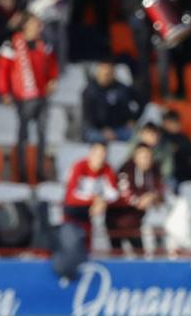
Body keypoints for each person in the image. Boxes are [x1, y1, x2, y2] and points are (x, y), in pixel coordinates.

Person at [0, 14, 58, 182]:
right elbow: (2, 70)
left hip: (42, 95)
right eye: (35, 24)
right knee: (23, 136)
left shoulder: (44, 44)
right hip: (22, 96)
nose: (39, 28)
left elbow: (52, 65)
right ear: (26, 26)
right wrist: (4, 92)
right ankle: (21, 172)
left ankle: (39, 172)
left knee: (42, 135)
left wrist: (53, 79)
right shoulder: (11, 45)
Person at [112, 0, 178, 99]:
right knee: (142, 50)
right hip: (137, 9)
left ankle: (165, 90)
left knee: (163, 49)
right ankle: (145, 91)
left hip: (157, 13)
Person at [56, 142, 118, 279]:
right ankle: (66, 274)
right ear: (90, 154)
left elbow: (114, 193)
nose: (100, 158)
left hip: (89, 214)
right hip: (72, 215)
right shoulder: (79, 167)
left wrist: (101, 201)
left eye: (103, 154)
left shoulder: (107, 169)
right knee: (71, 245)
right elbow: (71, 196)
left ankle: (84, 276)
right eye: (97, 154)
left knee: (87, 246)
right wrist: (95, 200)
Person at [108, 144, 164, 255]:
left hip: (137, 219)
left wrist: (152, 196)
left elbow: (160, 189)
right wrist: (139, 201)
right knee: (117, 254)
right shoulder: (126, 169)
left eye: (149, 157)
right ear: (135, 157)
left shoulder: (154, 170)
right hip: (117, 218)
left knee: (140, 253)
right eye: (143, 156)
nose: (146, 160)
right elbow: (124, 192)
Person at [81, 60, 142, 144]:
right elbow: (88, 116)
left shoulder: (122, 88)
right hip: (97, 129)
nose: (107, 76)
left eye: (109, 73)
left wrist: (133, 118)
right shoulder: (90, 91)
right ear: (98, 73)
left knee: (139, 138)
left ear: (113, 73)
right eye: (104, 73)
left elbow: (141, 100)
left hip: (121, 128)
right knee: (94, 137)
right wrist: (103, 130)